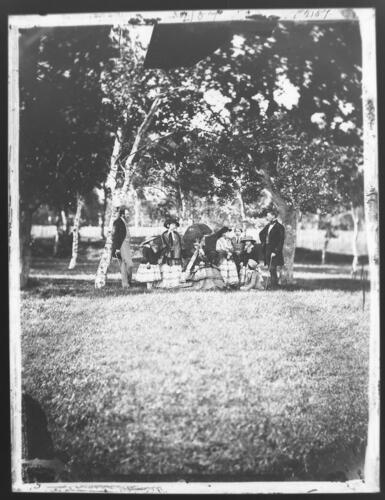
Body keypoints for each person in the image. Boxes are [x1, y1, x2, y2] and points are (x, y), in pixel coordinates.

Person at [259, 208, 285, 289]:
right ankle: (273, 284)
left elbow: (281, 241)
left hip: (274, 251)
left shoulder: (280, 227)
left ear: (273, 216)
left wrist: (275, 251)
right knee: (270, 268)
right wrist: (264, 242)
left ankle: (274, 285)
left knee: (273, 267)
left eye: (268, 215)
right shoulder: (268, 225)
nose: (267, 217)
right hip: (267, 249)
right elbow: (261, 233)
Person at [156, 217, 183, 288]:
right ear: (168, 225)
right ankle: (166, 283)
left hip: (176, 254)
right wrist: (167, 249)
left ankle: (175, 283)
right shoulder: (164, 234)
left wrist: (178, 251)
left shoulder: (177, 235)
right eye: (173, 224)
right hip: (167, 254)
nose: (174, 226)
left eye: (175, 225)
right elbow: (162, 244)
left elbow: (179, 244)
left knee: (175, 268)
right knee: (167, 268)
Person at [111, 206, 134, 288]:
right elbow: (115, 236)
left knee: (126, 265)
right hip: (121, 245)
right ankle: (126, 283)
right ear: (122, 214)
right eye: (126, 213)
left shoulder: (125, 222)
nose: (128, 215)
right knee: (128, 264)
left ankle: (127, 283)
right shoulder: (117, 222)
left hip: (127, 245)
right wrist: (117, 248)